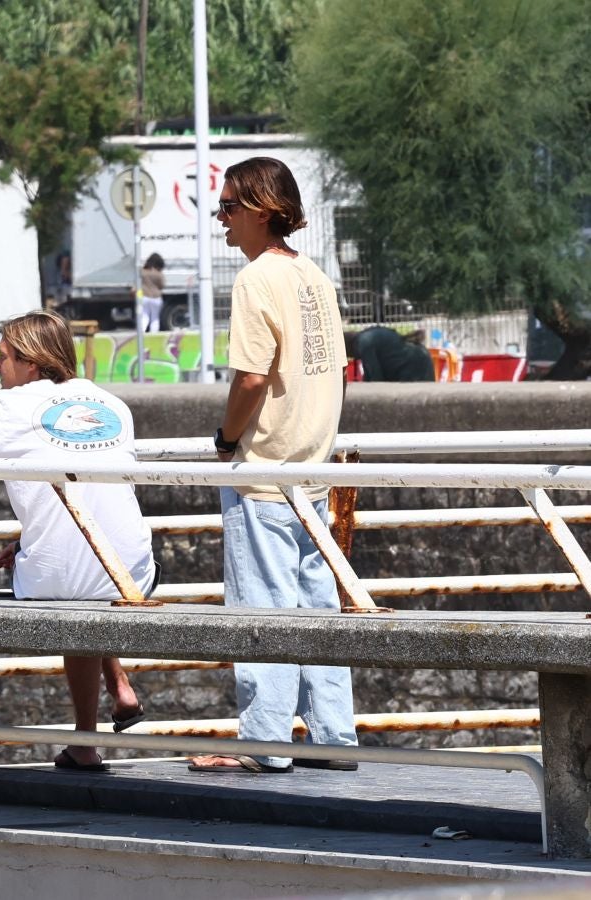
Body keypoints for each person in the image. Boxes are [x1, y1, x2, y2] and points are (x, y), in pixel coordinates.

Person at [0, 310, 156, 771]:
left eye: (1, 358)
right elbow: (92, 495)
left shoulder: (11, 406)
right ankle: (116, 691)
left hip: (66, 577)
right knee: (89, 583)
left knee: (72, 590)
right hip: (133, 572)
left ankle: (85, 741)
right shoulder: (112, 404)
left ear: (31, 363)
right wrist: (24, 541)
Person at [190, 157, 358, 775]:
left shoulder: (256, 280)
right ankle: (334, 738)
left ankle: (264, 744)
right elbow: (337, 374)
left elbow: (252, 377)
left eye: (229, 207)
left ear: (262, 209)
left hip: (264, 473)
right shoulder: (314, 276)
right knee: (319, 616)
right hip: (313, 473)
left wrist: (227, 439)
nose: (222, 220)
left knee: (262, 615)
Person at [345, 327, 435, 382]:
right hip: (420, 357)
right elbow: (369, 376)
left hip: (414, 366)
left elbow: (375, 379)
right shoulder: (367, 336)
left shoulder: (363, 343)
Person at [140, 253, 165, 332]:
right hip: (156, 297)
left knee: (144, 316)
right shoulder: (159, 274)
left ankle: (141, 333)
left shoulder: (142, 272)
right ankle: (153, 334)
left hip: (144, 296)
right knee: (155, 317)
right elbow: (162, 285)